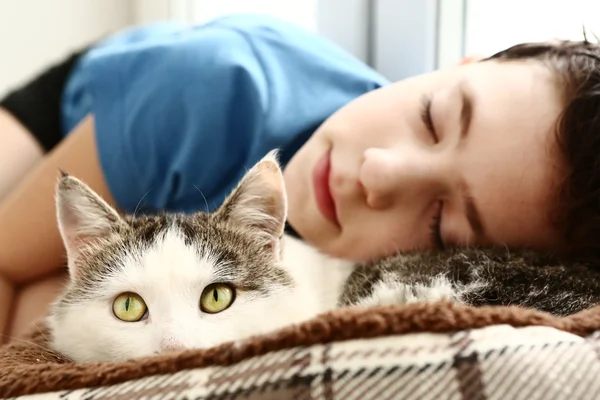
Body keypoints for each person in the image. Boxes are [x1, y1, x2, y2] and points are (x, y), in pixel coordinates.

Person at [1, 14, 599, 342]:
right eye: (433, 116)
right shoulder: (211, 91)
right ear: (455, 65)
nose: (378, 172)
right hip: (122, 98)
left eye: (443, 224)